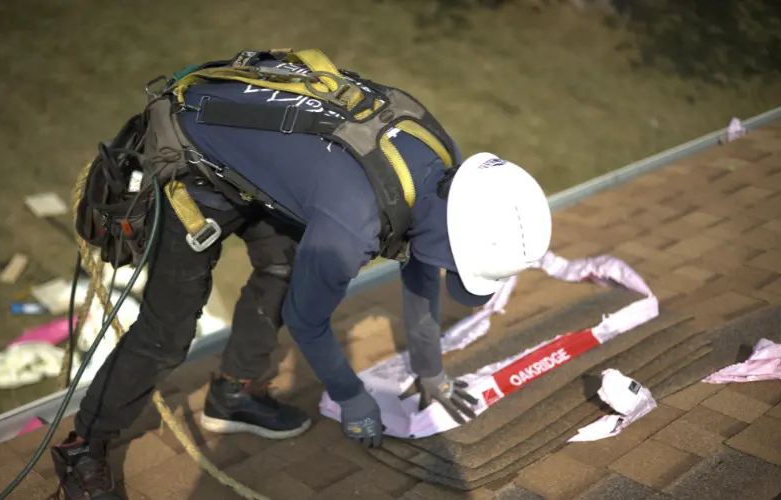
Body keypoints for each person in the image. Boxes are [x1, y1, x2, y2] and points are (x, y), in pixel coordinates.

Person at [50, 49, 552, 499]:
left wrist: (430, 370)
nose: (445, 271)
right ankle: (82, 446)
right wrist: (351, 396)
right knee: (168, 332)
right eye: (455, 265)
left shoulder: (446, 170)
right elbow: (307, 320)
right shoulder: (352, 225)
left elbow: (422, 268)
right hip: (190, 167)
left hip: (261, 172)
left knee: (284, 267)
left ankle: (232, 394)